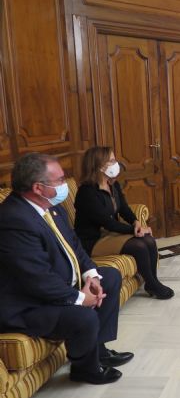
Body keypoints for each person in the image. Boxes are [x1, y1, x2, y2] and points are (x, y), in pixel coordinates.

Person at [0, 153, 133, 384]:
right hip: (28, 304)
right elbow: (37, 279)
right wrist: (79, 298)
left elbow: (74, 244)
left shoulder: (51, 207)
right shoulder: (13, 220)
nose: (65, 184)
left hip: (56, 285)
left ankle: (99, 350)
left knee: (109, 277)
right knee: (83, 317)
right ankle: (85, 369)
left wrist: (91, 276)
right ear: (38, 188)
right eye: (60, 180)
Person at [74, 147, 174, 299]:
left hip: (108, 234)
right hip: (92, 241)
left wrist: (136, 222)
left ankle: (153, 283)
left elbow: (124, 209)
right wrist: (135, 231)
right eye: (112, 161)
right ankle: (152, 284)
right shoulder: (86, 192)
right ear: (99, 165)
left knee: (148, 240)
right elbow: (108, 223)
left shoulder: (112, 184)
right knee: (139, 246)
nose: (116, 163)